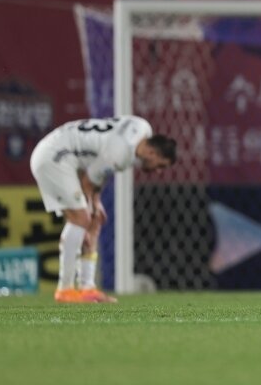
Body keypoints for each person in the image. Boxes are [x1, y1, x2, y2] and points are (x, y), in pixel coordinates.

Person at [29, 116, 176, 303]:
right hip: (54, 157)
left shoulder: (141, 126)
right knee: (81, 219)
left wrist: (95, 205)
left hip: (69, 153)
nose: (158, 171)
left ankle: (87, 287)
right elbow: (88, 181)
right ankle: (65, 289)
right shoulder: (121, 153)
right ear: (152, 152)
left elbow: (98, 163)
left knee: (94, 220)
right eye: (160, 165)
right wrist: (90, 209)